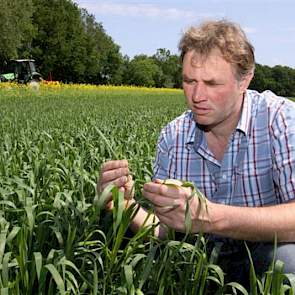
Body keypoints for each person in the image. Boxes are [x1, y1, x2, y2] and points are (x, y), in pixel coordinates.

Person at [98, 19, 295, 286]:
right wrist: (125, 206)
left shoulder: (279, 119)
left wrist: (210, 217)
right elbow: (165, 230)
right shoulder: (174, 135)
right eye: (189, 81)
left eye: (212, 83)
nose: (197, 96)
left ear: (244, 80)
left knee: (288, 259)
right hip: (197, 262)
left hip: (262, 255)